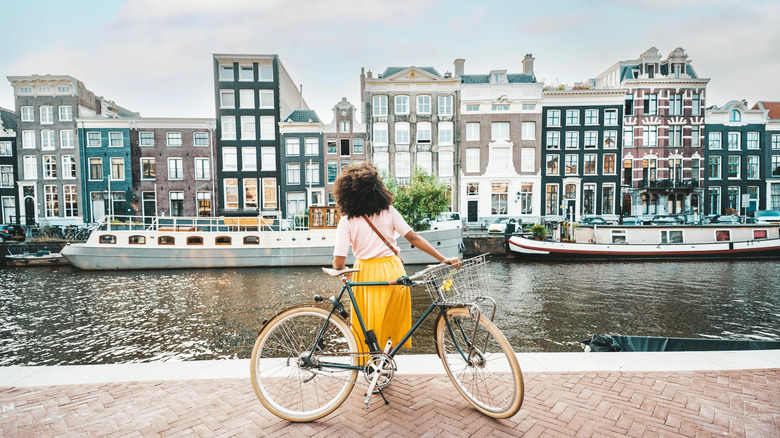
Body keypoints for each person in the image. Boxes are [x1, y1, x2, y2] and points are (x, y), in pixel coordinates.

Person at [332, 163, 459, 354]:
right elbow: (413, 237)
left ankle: (373, 364)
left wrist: (340, 268)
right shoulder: (389, 211)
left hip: (365, 273)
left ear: (346, 194)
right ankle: (386, 361)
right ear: (378, 190)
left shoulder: (346, 221)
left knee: (369, 322)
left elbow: (338, 262)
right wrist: (442, 258)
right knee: (391, 320)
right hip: (393, 270)